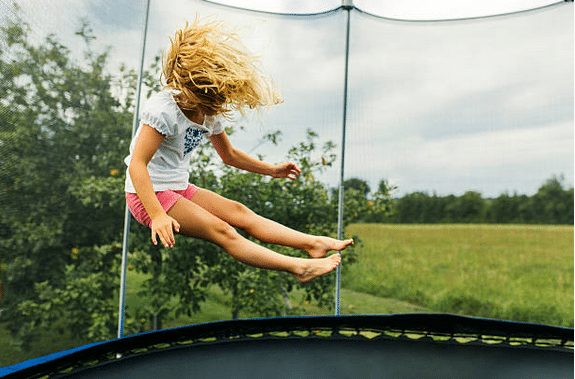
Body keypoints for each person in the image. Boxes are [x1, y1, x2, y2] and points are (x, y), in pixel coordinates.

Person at [124, 17, 353, 283]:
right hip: (146, 195)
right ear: (196, 89)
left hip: (176, 186)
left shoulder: (209, 112)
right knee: (223, 231)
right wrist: (157, 215)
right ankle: (299, 268)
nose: (217, 107)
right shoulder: (163, 111)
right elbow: (137, 164)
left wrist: (271, 169)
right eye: (212, 100)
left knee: (240, 212)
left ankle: (312, 244)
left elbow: (229, 155)